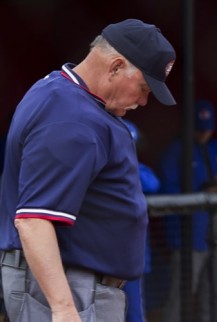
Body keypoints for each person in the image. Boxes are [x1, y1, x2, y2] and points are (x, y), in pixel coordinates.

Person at [0, 18, 176, 322]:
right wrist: (63, 308)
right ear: (116, 66)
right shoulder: (70, 116)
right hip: (70, 289)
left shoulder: (65, 96)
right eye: (144, 87)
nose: (145, 101)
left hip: (80, 285)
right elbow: (34, 219)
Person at [157, 100, 217, 322]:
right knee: (181, 295)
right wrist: (203, 189)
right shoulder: (176, 150)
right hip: (188, 235)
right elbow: (167, 191)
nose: (204, 134)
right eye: (199, 129)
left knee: (215, 293)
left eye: (208, 129)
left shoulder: (216, 147)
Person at [122, 120, 161, 322]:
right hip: (100, 254)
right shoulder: (100, 163)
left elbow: (153, 184)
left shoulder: (139, 169)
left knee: (134, 313)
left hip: (134, 254)